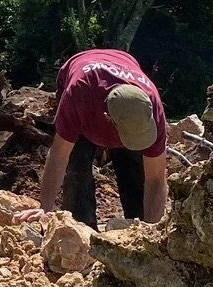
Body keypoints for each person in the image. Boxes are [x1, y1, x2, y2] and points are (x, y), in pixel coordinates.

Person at [31, 48, 168, 228]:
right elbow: (59, 155)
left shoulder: (152, 107)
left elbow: (156, 178)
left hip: (122, 67)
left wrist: (152, 233)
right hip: (85, 85)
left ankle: (138, 227)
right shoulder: (79, 94)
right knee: (77, 167)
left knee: (135, 172)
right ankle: (82, 230)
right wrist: (45, 210)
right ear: (107, 118)